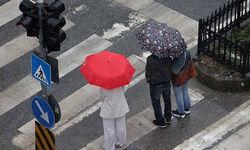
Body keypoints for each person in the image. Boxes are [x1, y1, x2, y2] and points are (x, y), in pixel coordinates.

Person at [145, 54, 173, 128]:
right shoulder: (168, 57)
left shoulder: (150, 59)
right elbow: (171, 68)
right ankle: (168, 117)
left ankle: (160, 121)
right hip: (166, 82)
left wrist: (149, 80)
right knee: (167, 100)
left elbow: (148, 72)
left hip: (155, 84)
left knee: (156, 103)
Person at [172, 50, 192, 118]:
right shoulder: (187, 52)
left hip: (178, 79)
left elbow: (175, 71)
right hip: (185, 76)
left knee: (178, 94)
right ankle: (187, 108)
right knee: (185, 91)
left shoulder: (178, 57)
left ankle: (181, 112)